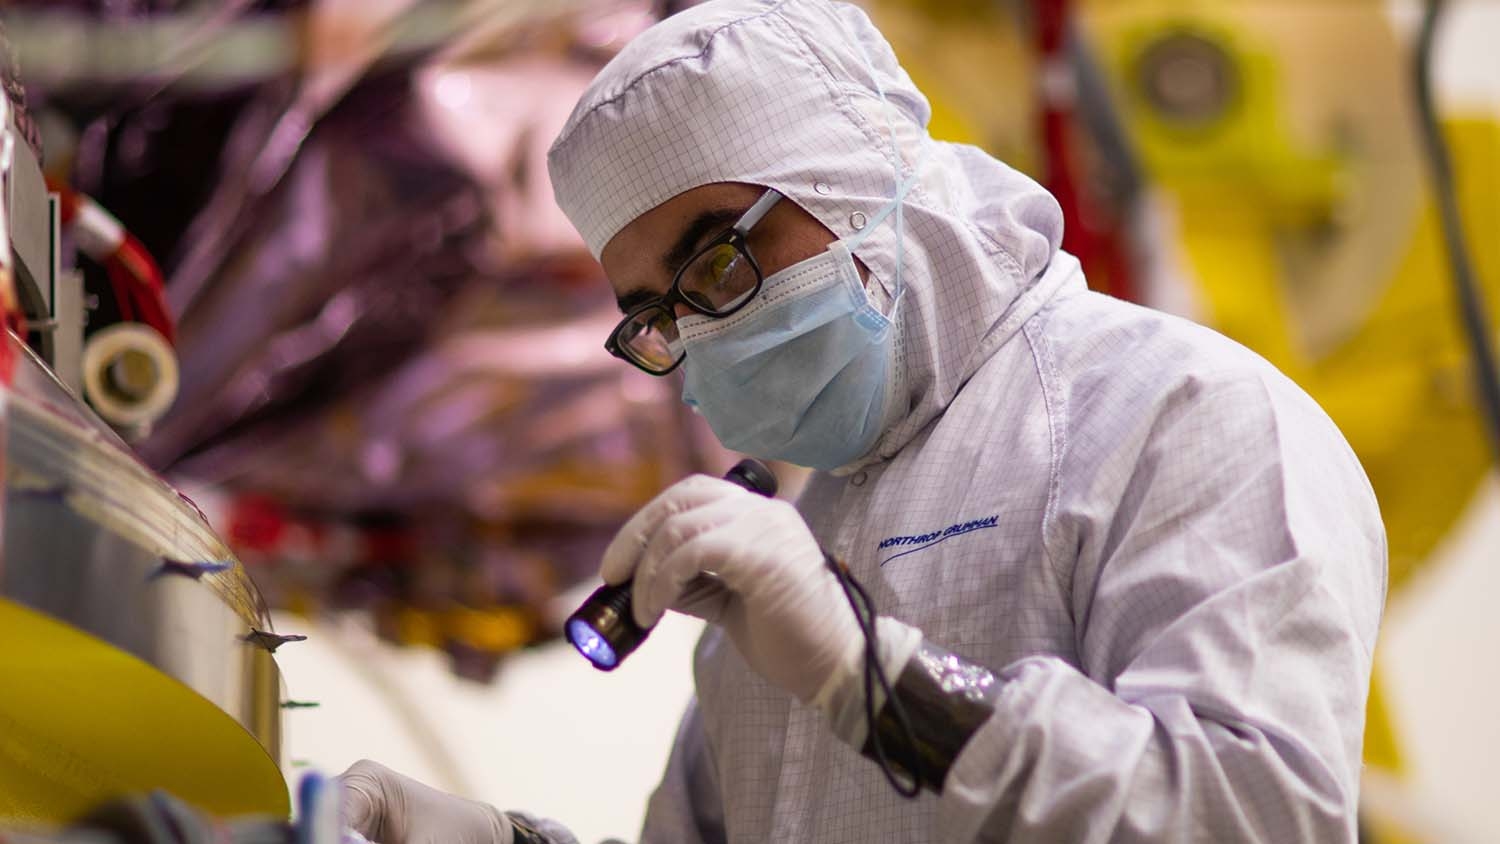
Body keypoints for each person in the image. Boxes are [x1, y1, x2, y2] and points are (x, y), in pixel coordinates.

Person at [337, 1, 1386, 841]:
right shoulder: (804, 541)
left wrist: (874, 681)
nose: (698, 335)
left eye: (714, 262)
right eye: (658, 313)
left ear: (858, 180)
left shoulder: (1184, 420)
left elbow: (1254, 819)